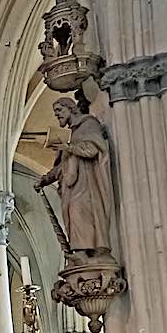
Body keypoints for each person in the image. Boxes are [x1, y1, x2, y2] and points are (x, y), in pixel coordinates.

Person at [36, 97, 115, 260]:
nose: (57, 115)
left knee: (80, 211)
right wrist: (44, 180)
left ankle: (88, 251)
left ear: (71, 108)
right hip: (70, 185)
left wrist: (69, 147)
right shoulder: (69, 135)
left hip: (87, 182)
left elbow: (93, 150)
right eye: (55, 112)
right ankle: (80, 252)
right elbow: (61, 166)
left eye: (59, 110)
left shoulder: (88, 124)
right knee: (71, 214)